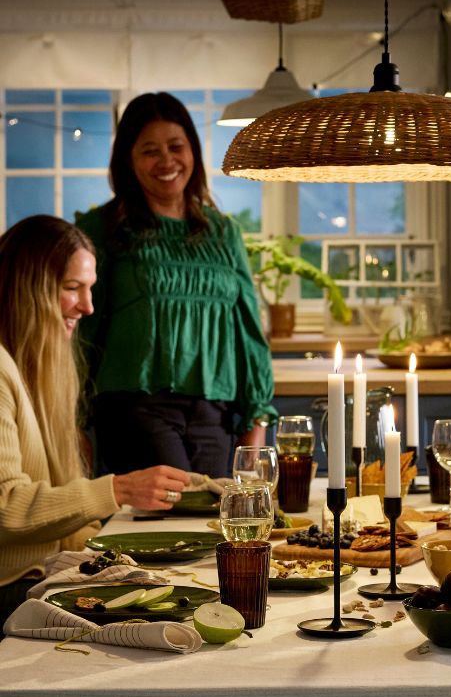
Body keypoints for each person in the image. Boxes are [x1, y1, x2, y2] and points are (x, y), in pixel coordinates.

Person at [0, 216, 189, 628]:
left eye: (89, 289)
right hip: (11, 590)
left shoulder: (31, 364)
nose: (87, 306)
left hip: (39, 575)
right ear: (26, 287)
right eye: (72, 288)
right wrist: (118, 489)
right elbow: (5, 508)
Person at [77, 92, 276, 478]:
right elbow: (79, 330)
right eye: (149, 150)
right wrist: (72, 421)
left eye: (176, 146)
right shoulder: (103, 229)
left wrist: (257, 420)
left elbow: (249, 335)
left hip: (215, 414)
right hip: (135, 409)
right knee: (171, 522)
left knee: (213, 530)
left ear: (193, 152)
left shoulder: (223, 232)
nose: (166, 161)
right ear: (128, 161)